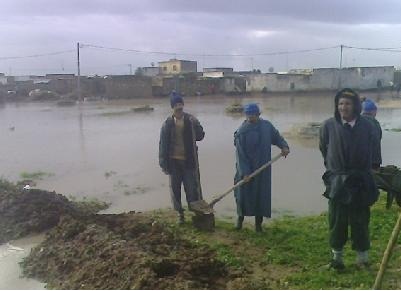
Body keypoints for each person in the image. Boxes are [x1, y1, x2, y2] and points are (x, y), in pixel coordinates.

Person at [319, 88, 380, 271]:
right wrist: (333, 169)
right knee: (337, 220)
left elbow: (375, 151)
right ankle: (337, 260)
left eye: (347, 103)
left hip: (361, 180)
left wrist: (372, 170)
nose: (343, 107)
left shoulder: (368, 126)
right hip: (338, 181)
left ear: (356, 106)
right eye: (340, 104)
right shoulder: (328, 126)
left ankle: (362, 260)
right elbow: (324, 149)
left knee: (360, 220)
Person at [233, 103, 290, 232]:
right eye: (248, 115)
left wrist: (284, 146)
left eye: (253, 115)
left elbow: (277, 137)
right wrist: (245, 173)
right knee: (243, 195)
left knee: (261, 196)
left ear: (258, 115)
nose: (250, 118)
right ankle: (239, 221)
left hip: (263, 169)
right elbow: (240, 155)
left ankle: (258, 225)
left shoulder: (266, 126)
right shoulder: (242, 132)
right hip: (245, 170)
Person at [159, 92, 205, 224]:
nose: (179, 107)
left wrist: (197, 125)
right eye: (176, 105)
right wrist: (163, 163)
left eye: (180, 104)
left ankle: (196, 214)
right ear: (172, 107)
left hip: (189, 161)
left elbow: (200, 136)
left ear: (183, 105)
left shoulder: (190, 121)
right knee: (175, 190)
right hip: (173, 162)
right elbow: (162, 145)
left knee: (192, 189)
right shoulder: (167, 124)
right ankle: (180, 214)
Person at [361, 99, 382, 170]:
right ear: (373, 111)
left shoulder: (356, 122)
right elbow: (379, 138)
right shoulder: (376, 123)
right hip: (376, 161)